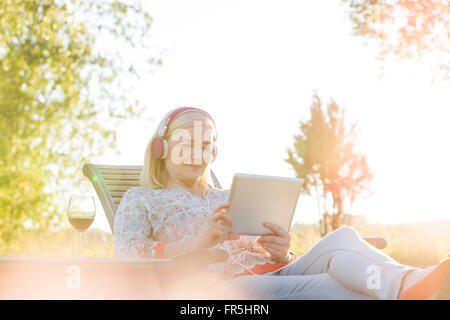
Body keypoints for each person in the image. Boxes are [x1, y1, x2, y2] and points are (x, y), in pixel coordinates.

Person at [113, 106, 450, 300]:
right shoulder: (140, 199)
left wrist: (281, 252)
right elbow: (128, 259)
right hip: (217, 288)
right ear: (161, 148)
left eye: (205, 145)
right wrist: (194, 243)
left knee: (344, 237)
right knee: (333, 286)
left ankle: (407, 284)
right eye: (186, 144)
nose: (196, 155)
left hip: (274, 271)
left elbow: (268, 255)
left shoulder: (226, 197)